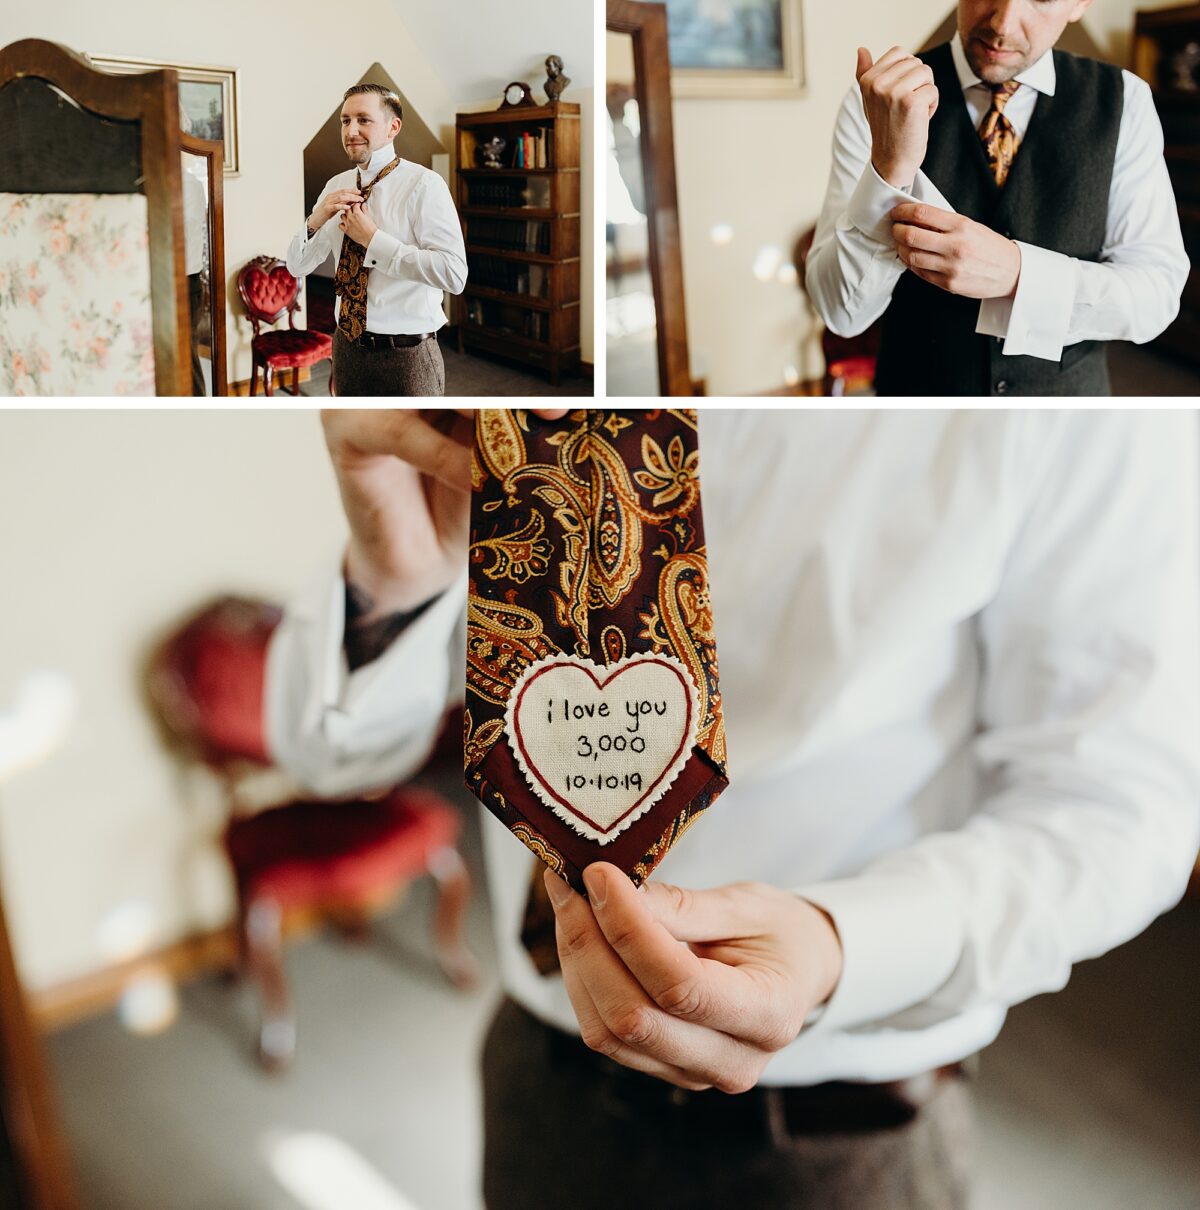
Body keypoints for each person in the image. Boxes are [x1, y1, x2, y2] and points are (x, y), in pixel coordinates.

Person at [266, 409, 1200, 1209]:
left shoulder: (1057, 410)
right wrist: (393, 575)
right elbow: (333, 754)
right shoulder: (538, 401)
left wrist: (844, 944)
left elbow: (1118, 801)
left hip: (840, 1139)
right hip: (541, 1084)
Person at [804, 0, 1189, 396]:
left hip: (1066, 428)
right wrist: (890, 170)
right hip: (919, 421)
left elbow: (1154, 296)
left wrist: (1018, 275)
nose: (1003, 23)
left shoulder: (1126, 101)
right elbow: (841, 313)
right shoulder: (876, 99)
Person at [285, 85, 467, 397]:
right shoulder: (336, 185)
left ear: (393, 127)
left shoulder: (424, 185)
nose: (351, 130)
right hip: (346, 348)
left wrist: (373, 241)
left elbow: (454, 274)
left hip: (407, 356)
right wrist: (316, 220)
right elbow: (296, 266)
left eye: (363, 120)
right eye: (345, 121)